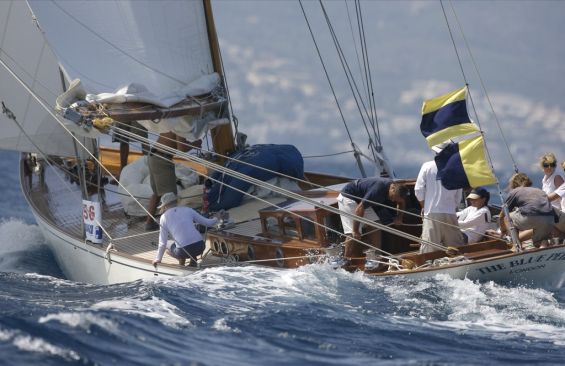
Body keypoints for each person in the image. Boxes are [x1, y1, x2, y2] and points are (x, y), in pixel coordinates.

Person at [337, 177, 409, 258]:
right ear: (392, 189)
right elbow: (359, 209)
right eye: (392, 197)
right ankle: (346, 260)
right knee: (352, 233)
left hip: (362, 201)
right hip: (349, 197)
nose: (392, 200)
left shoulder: (396, 190)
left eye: (395, 199)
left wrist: (399, 217)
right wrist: (355, 230)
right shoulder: (378, 190)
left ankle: (376, 255)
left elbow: (401, 202)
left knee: (376, 225)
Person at [145, 132, 202, 231]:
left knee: (157, 193)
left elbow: (177, 142)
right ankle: (175, 227)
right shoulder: (180, 125)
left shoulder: (173, 122)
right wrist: (195, 144)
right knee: (170, 195)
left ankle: (149, 223)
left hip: (154, 156)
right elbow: (182, 148)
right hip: (162, 159)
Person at [152, 192, 218, 267]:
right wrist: (216, 218)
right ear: (177, 201)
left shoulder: (164, 217)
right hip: (200, 246)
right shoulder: (188, 210)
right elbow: (208, 223)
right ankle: (193, 260)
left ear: (165, 205)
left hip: (183, 251)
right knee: (185, 243)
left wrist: (158, 259)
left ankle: (181, 262)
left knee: (167, 244)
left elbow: (162, 242)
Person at [414, 160, 465, 253]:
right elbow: (458, 197)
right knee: (455, 249)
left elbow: (418, 190)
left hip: (431, 212)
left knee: (429, 251)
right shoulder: (457, 168)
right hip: (450, 213)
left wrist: (424, 206)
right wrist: (452, 207)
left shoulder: (427, 166)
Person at [499, 173, 555, 247]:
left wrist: (503, 230)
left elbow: (502, 215)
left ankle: (517, 246)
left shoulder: (515, 191)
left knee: (507, 218)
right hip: (549, 218)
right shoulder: (539, 190)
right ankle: (543, 246)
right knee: (541, 241)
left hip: (532, 217)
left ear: (514, 184)